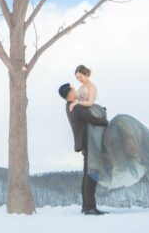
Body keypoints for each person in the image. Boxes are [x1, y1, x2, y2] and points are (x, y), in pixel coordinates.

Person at [64, 66, 149, 191]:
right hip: (88, 116)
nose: (79, 79)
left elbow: (90, 103)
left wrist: (77, 103)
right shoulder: (80, 89)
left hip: (93, 112)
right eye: (77, 78)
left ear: (86, 74)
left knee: (104, 140)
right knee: (95, 150)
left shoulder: (91, 86)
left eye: (80, 76)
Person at [59, 82, 109, 215]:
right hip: (88, 142)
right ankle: (89, 207)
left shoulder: (71, 106)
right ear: (70, 93)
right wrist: (105, 121)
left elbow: (88, 112)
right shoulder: (75, 107)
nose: (76, 90)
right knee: (91, 174)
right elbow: (91, 119)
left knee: (88, 173)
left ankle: (86, 206)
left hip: (86, 142)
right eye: (73, 89)